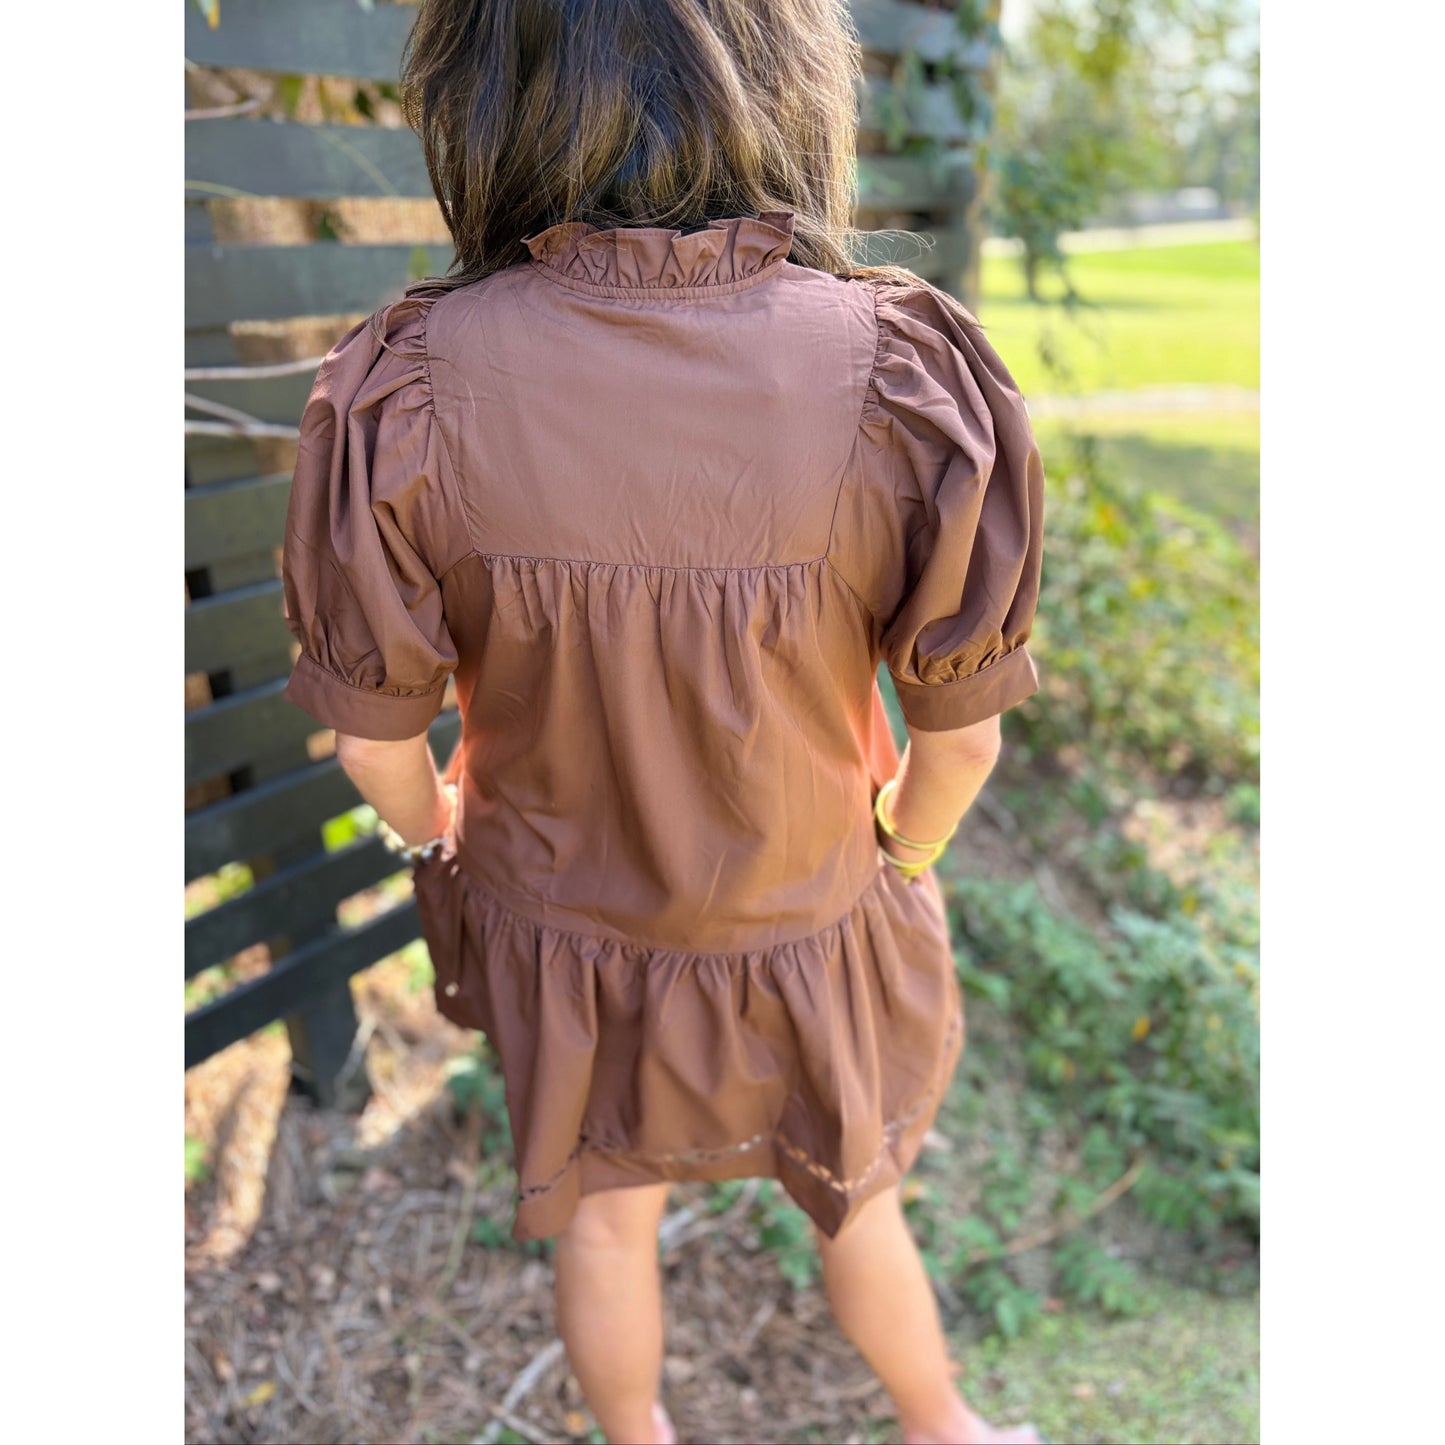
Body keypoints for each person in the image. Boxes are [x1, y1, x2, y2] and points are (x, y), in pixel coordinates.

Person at [279, 2, 1045, 1441]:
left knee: (605, 1215)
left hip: (562, 925)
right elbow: (961, 736)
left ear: (481, 97)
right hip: (803, 907)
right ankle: (945, 1427)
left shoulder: (409, 381)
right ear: (786, 84)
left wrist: (434, 825)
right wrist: (902, 848)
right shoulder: (893, 366)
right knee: (856, 1197)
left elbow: (375, 741)